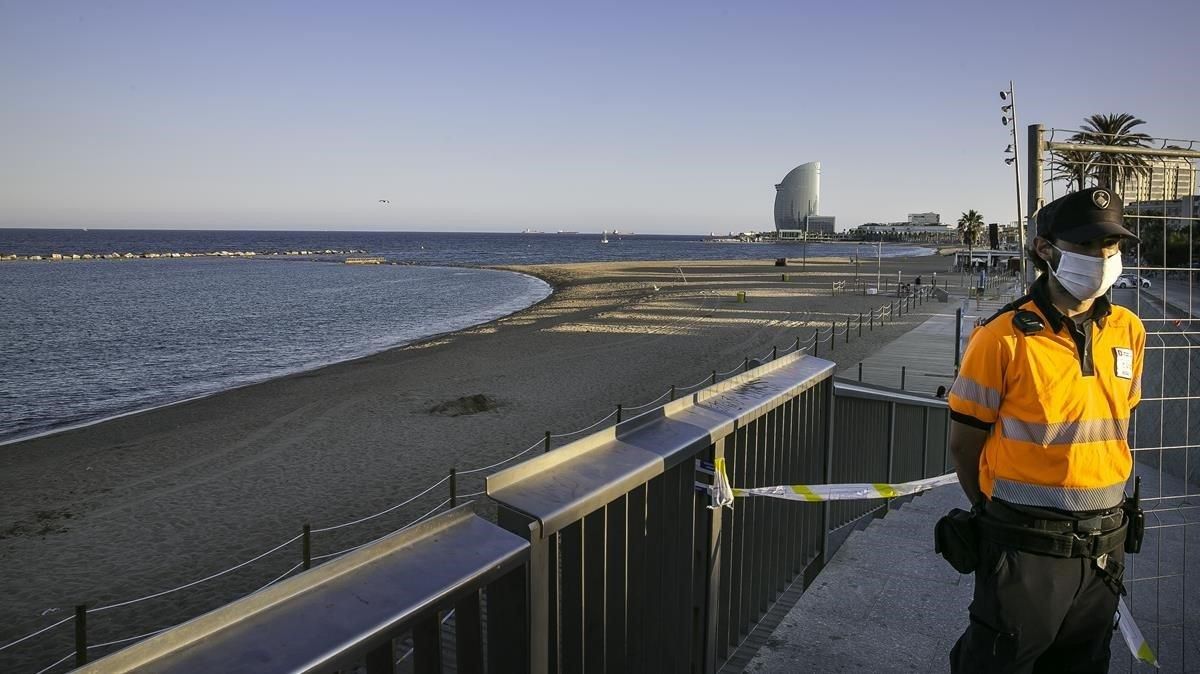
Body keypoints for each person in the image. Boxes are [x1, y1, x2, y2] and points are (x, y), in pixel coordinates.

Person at [944, 187, 1146, 672]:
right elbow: (964, 443)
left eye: (1111, 247)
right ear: (1045, 249)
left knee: (1084, 663)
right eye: (1086, 247)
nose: (1102, 259)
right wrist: (988, 511)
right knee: (999, 661)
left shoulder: (1129, 329)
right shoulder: (1001, 337)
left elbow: (1118, 421)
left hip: (1106, 545)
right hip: (1024, 546)